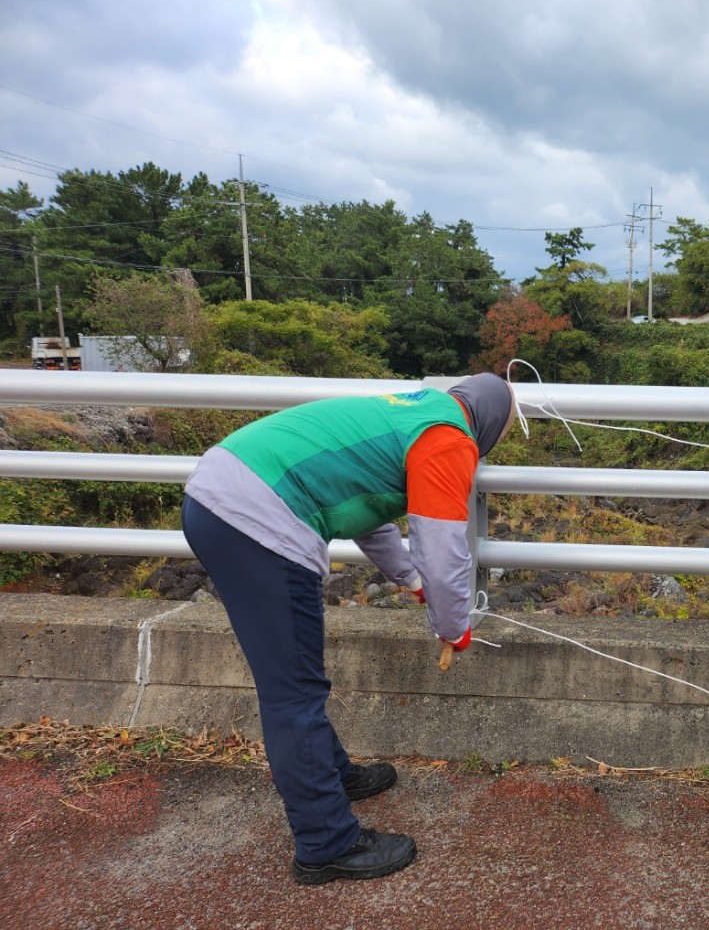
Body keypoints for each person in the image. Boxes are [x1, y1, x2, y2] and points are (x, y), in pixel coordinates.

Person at [181, 373, 516, 885]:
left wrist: (408, 580)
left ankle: (334, 775)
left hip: (223, 495)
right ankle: (326, 843)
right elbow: (442, 546)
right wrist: (454, 624)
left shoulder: (414, 410)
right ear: (489, 428)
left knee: (295, 679)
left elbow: (365, 510)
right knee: (293, 692)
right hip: (258, 517)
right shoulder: (448, 440)